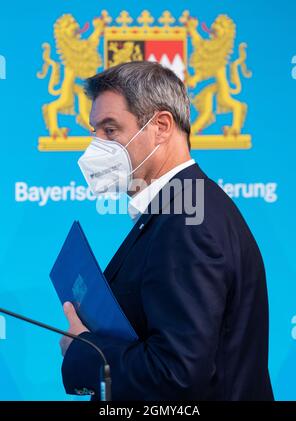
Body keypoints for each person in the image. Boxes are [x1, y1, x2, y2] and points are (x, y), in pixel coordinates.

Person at [59, 61, 274, 401]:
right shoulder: (186, 206)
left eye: (110, 130)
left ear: (161, 126)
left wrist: (85, 352)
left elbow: (176, 374)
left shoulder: (188, 222)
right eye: (94, 132)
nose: (94, 148)